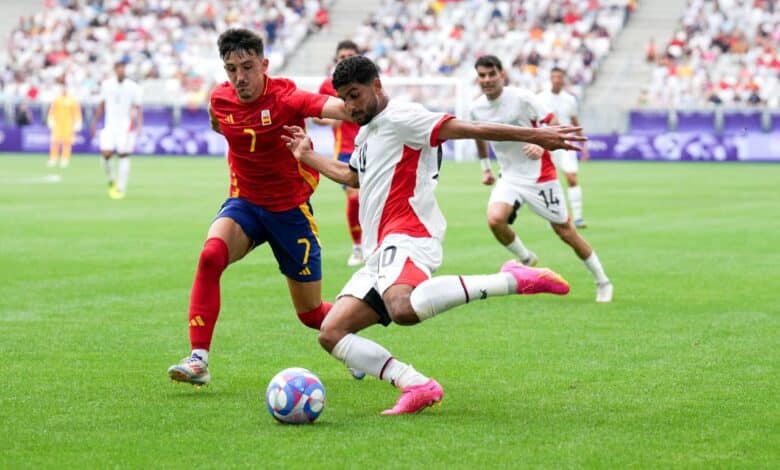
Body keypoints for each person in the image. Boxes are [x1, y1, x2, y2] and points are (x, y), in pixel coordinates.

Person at [280, 55, 583, 415]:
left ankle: (511, 279)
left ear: (377, 86)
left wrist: (537, 135)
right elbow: (352, 177)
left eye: (356, 95)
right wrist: (306, 156)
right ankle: (416, 384)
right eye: (344, 98)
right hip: (380, 250)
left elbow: (470, 128)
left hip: (409, 233)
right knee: (331, 333)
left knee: (402, 308)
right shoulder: (367, 131)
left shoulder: (404, 117)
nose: (350, 106)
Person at [166, 28, 353, 387]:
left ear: (264, 65)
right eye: (231, 69)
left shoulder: (287, 96)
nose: (239, 77)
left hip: (290, 212)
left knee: (312, 315)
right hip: (246, 205)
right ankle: (198, 359)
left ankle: (353, 336)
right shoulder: (219, 100)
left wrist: (371, 107)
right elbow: (218, 122)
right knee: (210, 257)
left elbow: (336, 109)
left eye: (247, 67)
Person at [469, 55, 612, 303]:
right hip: (510, 176)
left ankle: (602, 281)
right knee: (495, 220)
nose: (487, 80)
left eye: (492, 74)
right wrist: (485, 167)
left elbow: (555, 124)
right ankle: (526, 259)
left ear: (502, 75)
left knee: (566, 232)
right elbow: (479, 136)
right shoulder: (476, 107)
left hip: (539, 176)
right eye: (482, 75)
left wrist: (542, 145)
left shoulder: (522, 98)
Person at [313, 40, 363, 266]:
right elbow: (314, 114)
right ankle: (358, 247)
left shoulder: (368, 83)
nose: (345, 60)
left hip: (372, 147)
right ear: (336, 60)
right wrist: (328, 120)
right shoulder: (327, 85)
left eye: (350, 56)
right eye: (342, 57)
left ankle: (376, 243)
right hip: (345, 150)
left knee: (375, 200)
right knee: (355, 195)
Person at [537, 67, 589, 228]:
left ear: (564, 79)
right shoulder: (540, 98)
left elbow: (575, 122)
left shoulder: (570, 100)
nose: (556, 80)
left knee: (572, 178)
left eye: (559, 77)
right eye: (554, 77)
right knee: (548, 182)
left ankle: (578, 217)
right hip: (546, 144)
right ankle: (553, 217)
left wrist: (583, 146)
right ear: (550, 79)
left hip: (566, 144)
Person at [90, 60, 143, 199]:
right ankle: (111, 180)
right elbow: (102, 104)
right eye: (118, 69)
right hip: (109, 126)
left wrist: (139, 125)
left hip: (124, 127)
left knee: (123, 155)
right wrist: (95, 122)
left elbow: (137, 107)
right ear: (115, 70)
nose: (121, 71)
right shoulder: (107, 85)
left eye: (123, 68)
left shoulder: (132, 87)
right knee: (106, 154)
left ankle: (121, 188)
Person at [47, 81, 83, 168]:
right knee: (55, 142)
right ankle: (53, 158)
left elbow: (77, 112)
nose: (64, 90)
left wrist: (78, 122)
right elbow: (52, 111)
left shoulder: (72, 100)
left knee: (67, 143)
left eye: (65, 88)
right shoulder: (57, 99)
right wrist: (50, 120)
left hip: (68, 124)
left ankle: (65, 159)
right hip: (58, 124)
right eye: (63, 88)